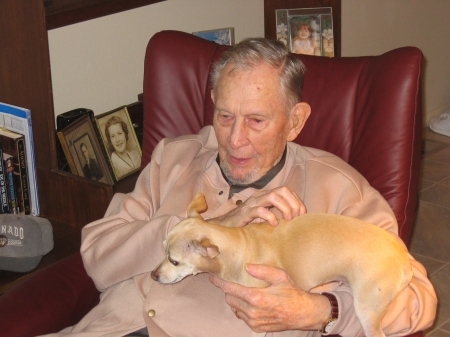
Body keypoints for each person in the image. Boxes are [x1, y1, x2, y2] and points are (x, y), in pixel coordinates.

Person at [43, 38, 437, 337]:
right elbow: (96, 255)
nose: (234, 140)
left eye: (257, 121)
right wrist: (196, 227)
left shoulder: (339, 189)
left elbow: (420, 301)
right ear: (212, 102)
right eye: (225, 115)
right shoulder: (174, 158)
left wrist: (322, 310)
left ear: (295, 122)